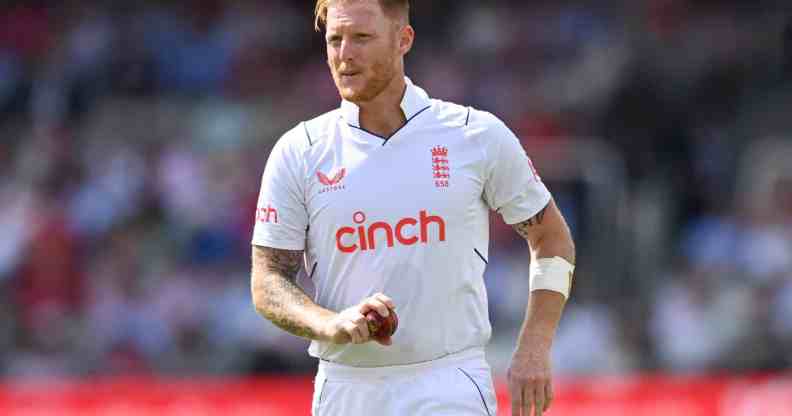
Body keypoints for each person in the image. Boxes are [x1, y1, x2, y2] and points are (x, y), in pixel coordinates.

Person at [250, 1, 576, 415]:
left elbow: (552, 240)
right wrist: (329, 323)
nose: (344, 54)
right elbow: (267, 282)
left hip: (449, 380)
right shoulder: (300, 151)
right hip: (345, 387)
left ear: (403, 40)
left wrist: (534, 346)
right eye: (335, 39)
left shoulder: (474, 134)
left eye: (362, 38)